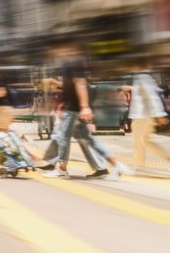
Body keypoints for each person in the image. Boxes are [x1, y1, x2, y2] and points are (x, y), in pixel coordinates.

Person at [41, 37, 130, 180]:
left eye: (55, 49)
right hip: (74, 108)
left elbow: (80, 83)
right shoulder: (68, 63)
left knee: (63, 137)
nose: (53, 53)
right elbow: (71, 85)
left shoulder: (73, 61)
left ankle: (62, 169)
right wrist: (56, 84)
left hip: (74, 109)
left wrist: (85, 106)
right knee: (89, 140)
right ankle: (117, 165)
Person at [129, 59, 170, 170]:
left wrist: (159, 114)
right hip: (144, 115)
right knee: (145, 141)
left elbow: (152, 97)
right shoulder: (145, 76)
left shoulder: (142, 76)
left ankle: (138, 167)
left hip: (142, 115)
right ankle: (167, 157)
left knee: (139, 142)